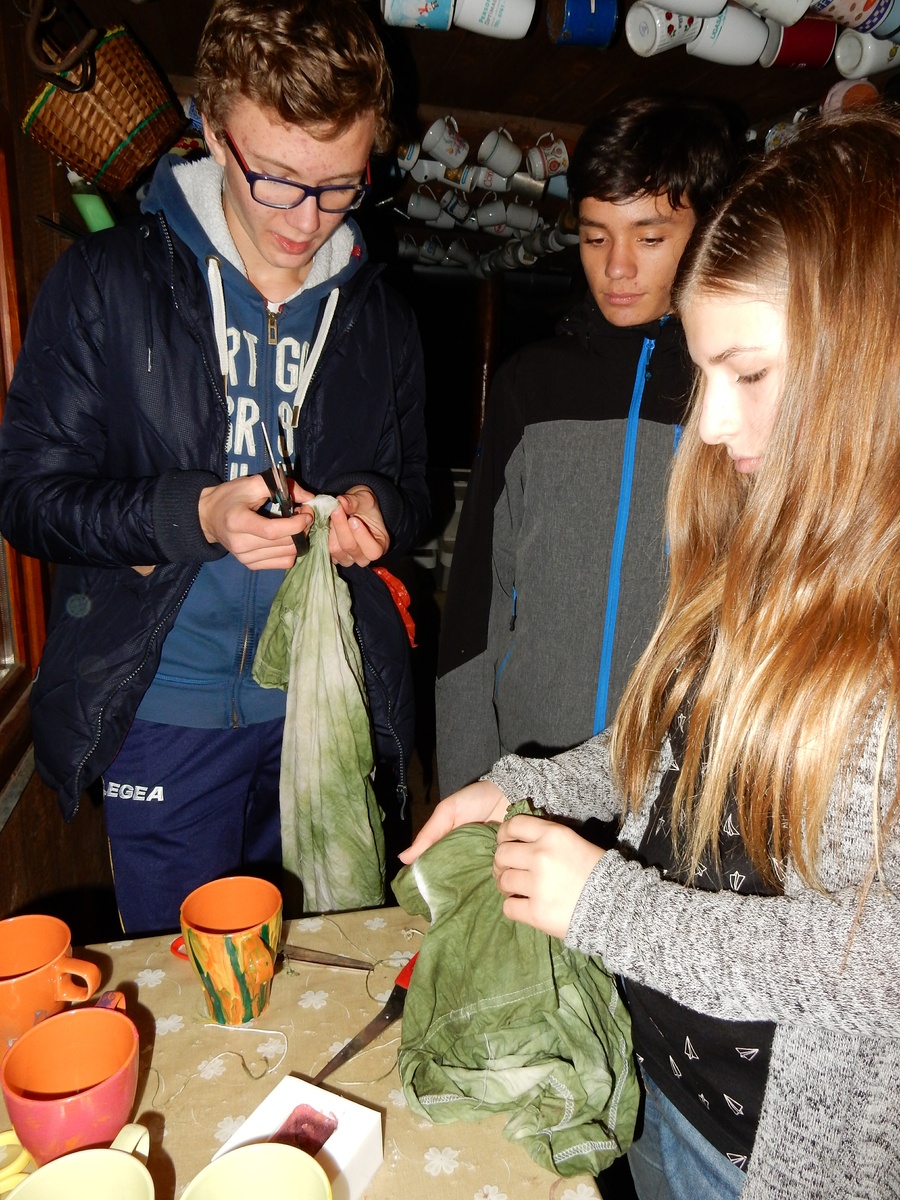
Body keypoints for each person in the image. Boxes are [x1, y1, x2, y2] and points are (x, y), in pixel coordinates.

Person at [404, 109, 900, 1199]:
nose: (710, 425)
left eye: (747, 373)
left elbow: (878, 964)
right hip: (657, 1078)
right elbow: (673, 759)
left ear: (869, 360)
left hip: (770, 1155)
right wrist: (522, 787)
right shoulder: (771, 533)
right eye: (702, 373)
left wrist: (607, 908)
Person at [0, 0, 429, 934]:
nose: (306, 220)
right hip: (163, 712)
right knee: (195, 977)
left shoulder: (383, 318)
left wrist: (375, 508)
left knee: (326, 965)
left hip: (325, 705)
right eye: (276, 179)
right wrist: (191, 517)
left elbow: (411, 489)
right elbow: (28, 499)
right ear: (210, 128)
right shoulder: (105, 281)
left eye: (340, 185)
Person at [435, 95, 743, 798]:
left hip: (682, 783)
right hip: (528, 770)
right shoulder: (529, 386)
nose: (617, 268)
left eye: (650, 237)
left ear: (709, 230)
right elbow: (478, 594)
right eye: (596, 238)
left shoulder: (737, 395)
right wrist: (465, 779)